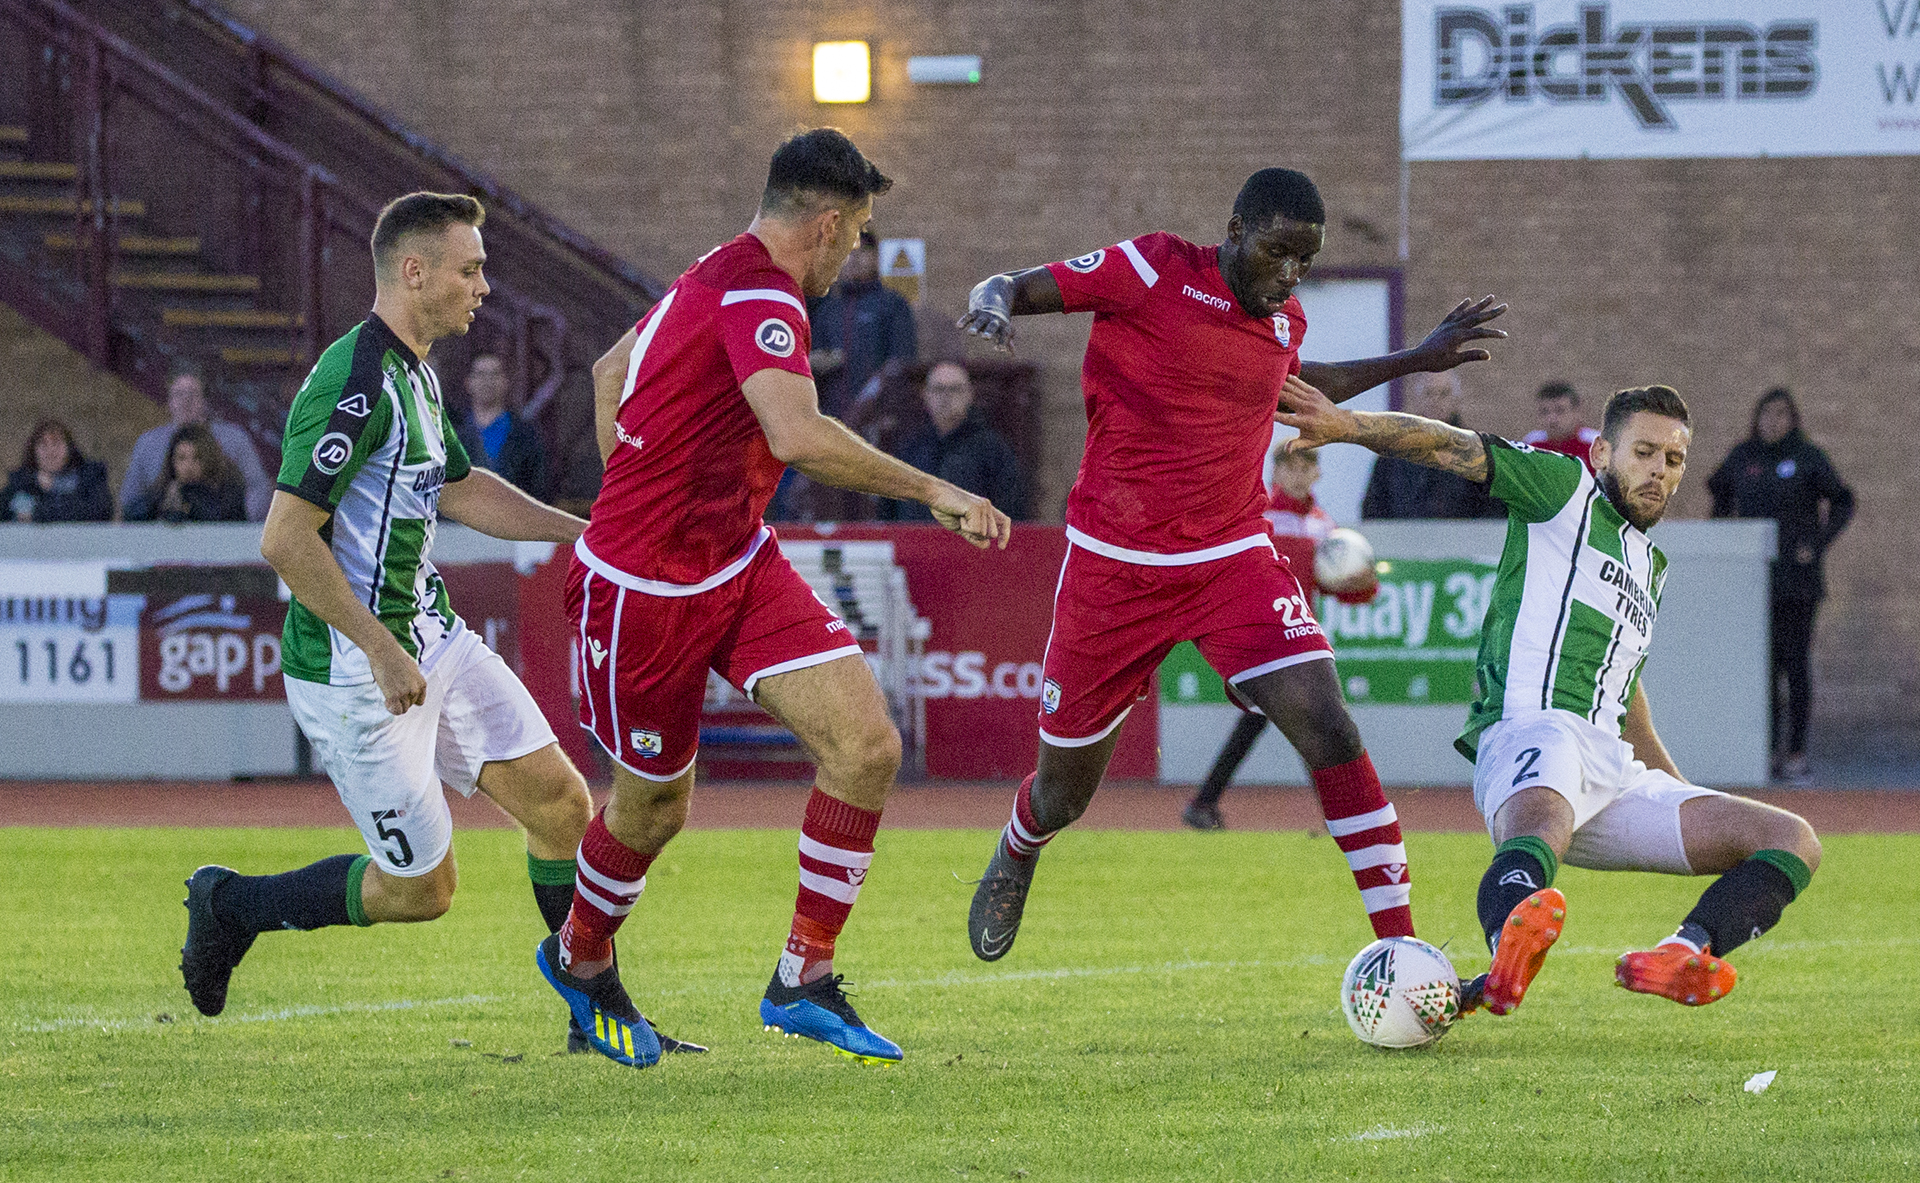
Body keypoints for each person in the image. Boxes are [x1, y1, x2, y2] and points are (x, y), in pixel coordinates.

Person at [543, 128, 1011, 1069]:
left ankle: (803, 976)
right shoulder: (760, 289)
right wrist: (937, 490)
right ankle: (580, 958)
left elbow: (607, 375)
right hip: (644, 593)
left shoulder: (713, 272)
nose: (856, 251)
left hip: (737, 560)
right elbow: (796, 434)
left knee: (867, 745)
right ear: (830, 224)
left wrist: (643, 480)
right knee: (654, 809)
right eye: (860, 230)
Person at [957, 167, 1508, 960]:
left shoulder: (1284, 322)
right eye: (1278, 252)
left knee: (1326, 720)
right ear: (1236, 229)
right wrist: (993, 301)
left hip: (1230, 557)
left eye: (1304, 262)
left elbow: (1304, 386)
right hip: (1114, 564)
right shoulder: (1151, 269)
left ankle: (1402, 949)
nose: (1289, 276)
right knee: (1061, 792)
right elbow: (1013, 284)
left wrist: (1416, 357)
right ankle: (1018, 844)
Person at [175, 192, 646, 1057]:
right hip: (359, 671)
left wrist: (579, 532)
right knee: (421, 890)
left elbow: (461, 487)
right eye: (470, 269)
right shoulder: (354, 381)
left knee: (562, 804)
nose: (484, 286)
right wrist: (381, 647)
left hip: (433, 638)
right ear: (414, 271)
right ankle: (230, 906)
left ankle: (593, 1012)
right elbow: (284, 539)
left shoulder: (418, 373)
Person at [1276, 377, 1822, 1017]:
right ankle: (1508, 949)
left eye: (1673, 460)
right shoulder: (1563, 492)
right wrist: (1347, 426)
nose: (1659, 472)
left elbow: (1626, 689)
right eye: (1643, 452)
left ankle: (1683, 950)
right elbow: (1452, 446)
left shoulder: (1650, 565)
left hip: (1614, 773)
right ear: (1602, 455)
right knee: (1540, 823)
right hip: (1532, 732)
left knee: (1793, 839)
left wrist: (1679, 790)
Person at [1182, 445, 1336, 831]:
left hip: (1302, 637)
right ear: (1276, 472)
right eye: (1291, 467)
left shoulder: (1324, 527)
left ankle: (1203, 804)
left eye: (1307, 467)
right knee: (1310, 720)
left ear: (1317, 473)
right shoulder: (1259, 517)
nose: (1298, 475)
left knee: (1274, 721)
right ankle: (1340, 816)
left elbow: (1339, 584)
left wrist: (1361, 586)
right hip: (1260, 637)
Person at [1707, 388, 1854, 785]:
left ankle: (1796, 752)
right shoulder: (1743, 456)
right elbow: (1719, 493)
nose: (1772, 422)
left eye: (1781, 414)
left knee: (1795, 664)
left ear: (1793, 419)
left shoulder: (1807, 457)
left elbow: (1843, 500)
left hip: (1798, 582)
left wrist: (1818, 544)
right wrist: (1726, 541)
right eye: (1766, 414)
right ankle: (1765, 750)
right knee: (1761, 669)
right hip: (1753, 582)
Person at [878, 361, 1027, 521]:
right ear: (926, 395)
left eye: (955, 389)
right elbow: (889, 511)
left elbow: (1010, 510)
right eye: (938, 389)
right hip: (916, 542)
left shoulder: (993, 450)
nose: (946, 397)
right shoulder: (909, 449)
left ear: (970, 395)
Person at [121, 369, 273, 521]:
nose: (186, 401)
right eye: (179, 394)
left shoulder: (233, 438)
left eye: (192, 393)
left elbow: (258, 487)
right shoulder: (148, 443)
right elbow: (131, 497)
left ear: (205, 400)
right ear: (169, 401)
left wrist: (237, 525)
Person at [1360, 372, 1503, 519]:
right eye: (1429, 393)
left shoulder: (1478, 452)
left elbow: (1494, 514)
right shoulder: (1393, 455)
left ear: (1456, 400)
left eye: (1443, 394)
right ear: (1418, 400)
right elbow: (1373, 511)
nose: (1435, 401)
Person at [807, 227, 917, 418]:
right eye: (846, 252)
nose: (854, 259)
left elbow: (902, 361)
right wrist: (818, 362)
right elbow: (811, 360)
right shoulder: (827, 309)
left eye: (863, 252)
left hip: (880, 417)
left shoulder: (892, 304)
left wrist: (870, 401)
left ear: (876, 258)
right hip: (832, 417)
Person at [457, 352, 548, 499]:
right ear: (468, 382)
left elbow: (538, 487)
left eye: (495, 374)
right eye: (481, 374)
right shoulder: (452, 432)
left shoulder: (525, 434)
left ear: (506, 381)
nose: (487, 381)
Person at [123, 424, 248, 523]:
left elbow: (222, 519)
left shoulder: (229, 493)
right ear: (172, 461)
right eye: (181, 458)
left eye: (197, 458)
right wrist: (164, 505)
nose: (189, 466)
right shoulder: (163, 491)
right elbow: (132, 514)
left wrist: (189, 502)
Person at [4, 419, 112, 522]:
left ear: (69, 448)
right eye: (43, 444)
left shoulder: (91, 476)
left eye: (56, 443)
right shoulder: (20, 481)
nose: (50, 451)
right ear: (34, 450)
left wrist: (38, 511)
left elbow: (100, 511)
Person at [1522, 381, 1599, 472]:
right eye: (1545, 411)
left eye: (1560, 411)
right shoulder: (1531, 444)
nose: (1552, 419)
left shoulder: (1595, 444)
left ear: (1577, 412)